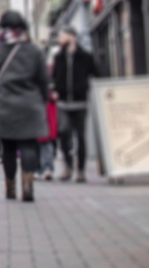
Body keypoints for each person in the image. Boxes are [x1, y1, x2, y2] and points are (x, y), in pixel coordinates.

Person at [0, 11, 49, 203]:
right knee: (29, 145)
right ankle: (28, 185)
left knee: (9, 147)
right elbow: (44, 80)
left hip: (4, 106)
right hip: (30, 105)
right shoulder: (33, 50)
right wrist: (42, 100)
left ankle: (10, 187)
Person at [51, 26, 100, 183]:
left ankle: (80, 171)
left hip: (80, 102)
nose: (59, 40)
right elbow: (54, 77)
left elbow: (98, 73)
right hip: (63, 102)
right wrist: (54, 90)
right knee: (64, 135)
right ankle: (68, 167)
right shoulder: (58, 57)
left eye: (62, 36)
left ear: (72, 38)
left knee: (81, 136)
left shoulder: (85, 56)